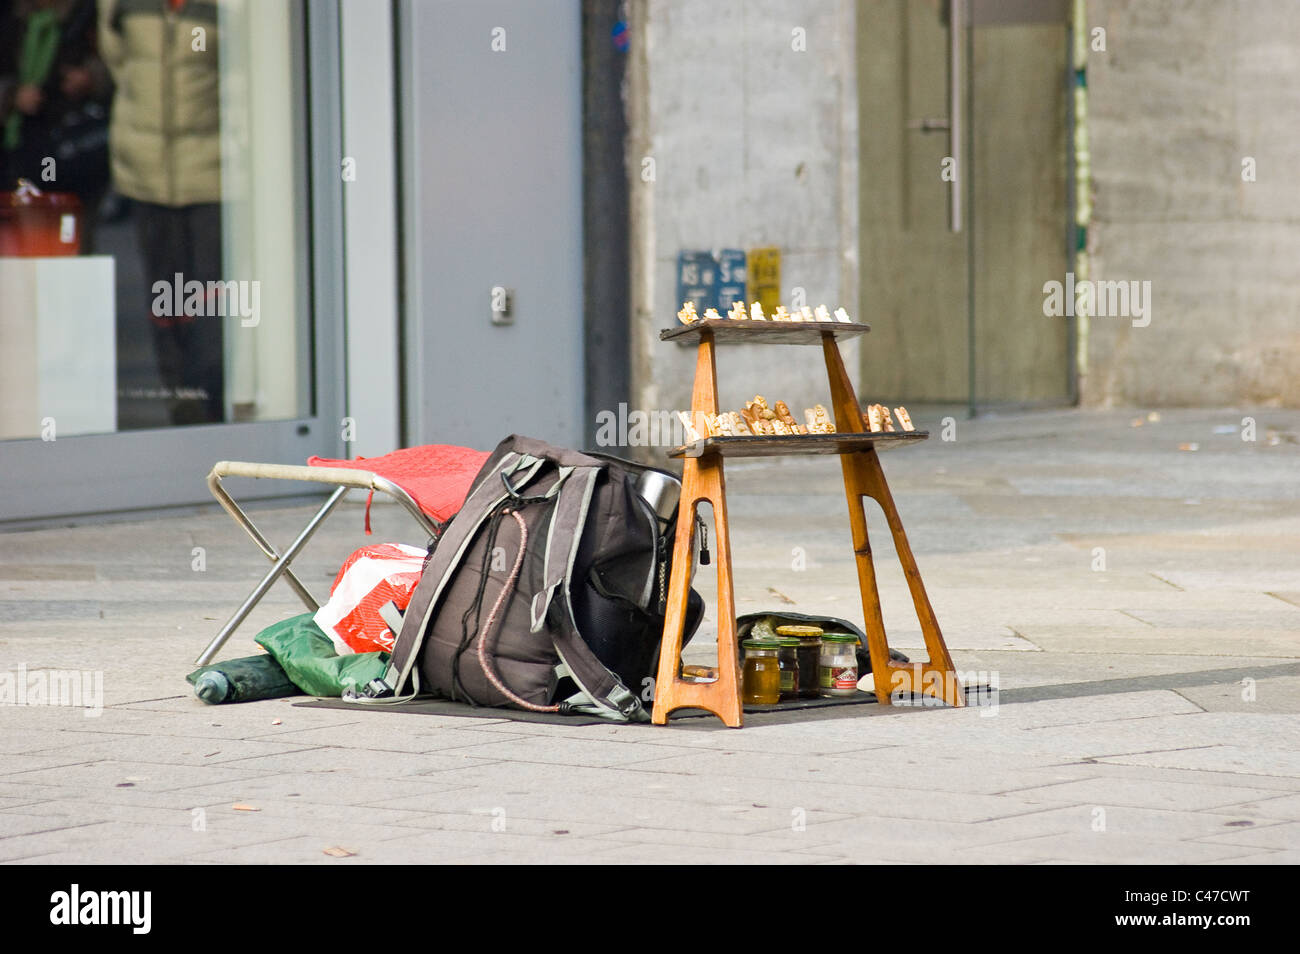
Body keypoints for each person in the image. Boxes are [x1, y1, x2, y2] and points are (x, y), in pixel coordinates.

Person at [99, 0, 224, 425]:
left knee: (210, 299)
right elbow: (119, 60)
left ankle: (214, 397)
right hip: (146, 167)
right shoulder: (126, 5)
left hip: (212, 168)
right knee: (165, 297)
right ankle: (181, 402)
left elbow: (244, 73)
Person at [0, 0, 113, 245]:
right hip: (20, 148)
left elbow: (121, 62)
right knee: (26, 244)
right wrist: (11, 96)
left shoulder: (88, 13)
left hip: (76, 148)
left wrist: (91, 78)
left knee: (71, 243)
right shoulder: (12, 16)